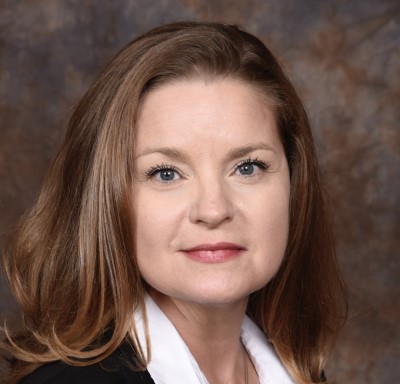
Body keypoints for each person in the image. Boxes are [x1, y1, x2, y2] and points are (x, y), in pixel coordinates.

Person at [1, 21, 348, 384]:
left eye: (247, 167)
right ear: (109, 199)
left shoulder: (299, 372)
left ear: (294, 184)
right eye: (166, 173)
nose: (213, 210)